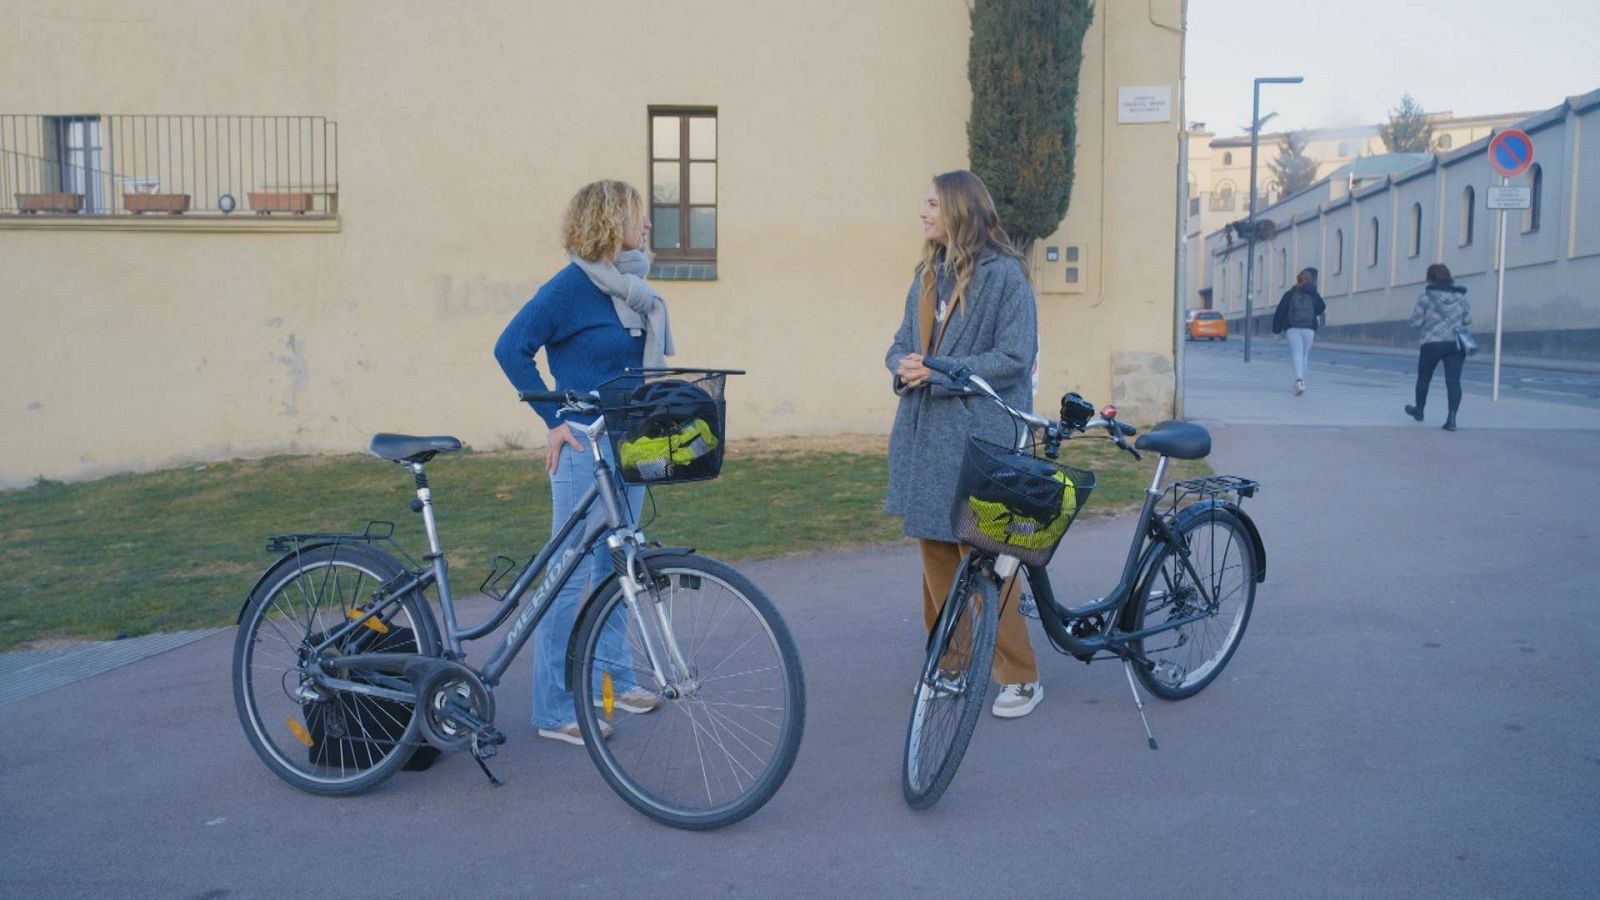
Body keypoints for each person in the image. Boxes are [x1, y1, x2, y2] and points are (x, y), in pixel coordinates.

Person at [493, 180, 672, 745]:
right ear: (610, 223)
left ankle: (610, 679)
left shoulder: (632, 289)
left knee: (618, 566)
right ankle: (551, 708)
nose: (645, 226)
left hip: (632, 442)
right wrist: (554, 420)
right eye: (637, 216)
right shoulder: (570, 288)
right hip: (583, 448)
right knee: (565, 579)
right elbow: (511, 347)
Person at [884, 170, 1043, 719]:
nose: (923, 213)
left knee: (988, 558)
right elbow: (902, 345)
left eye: (931, 203)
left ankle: (1019, 676)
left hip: (981, 437)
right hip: (925, 437)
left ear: (958, 210)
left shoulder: (1005, 278)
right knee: (934, 555)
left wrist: (940, 371)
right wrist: (903, 368)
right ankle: (948, 665)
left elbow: (1015, 356)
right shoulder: (927, 275)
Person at [1405, 263, 1472, 432]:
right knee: (1454, 382)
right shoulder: (1461, 298)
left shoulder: (1426, 298)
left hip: (1432, 343)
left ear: (1430, 278)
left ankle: (1419, 410)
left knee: (1424, 378)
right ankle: (1451, 419)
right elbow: (1468, 320)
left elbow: (1415, 322)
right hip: (1455, 344)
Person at [1271, 268, 1326, 396]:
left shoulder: (1290, 294)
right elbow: (1321, 307)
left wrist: (1276, 331)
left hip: (1292, 328)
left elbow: (1280, 312)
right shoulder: (1313, 294)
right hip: (1309, 328)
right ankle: (1301, 380)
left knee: (1296, 352)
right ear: (1310, 281)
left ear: (1298, 280)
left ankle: (1299, 380)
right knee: (1305, 354)